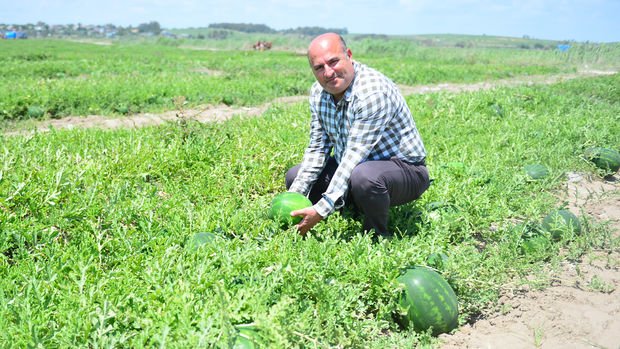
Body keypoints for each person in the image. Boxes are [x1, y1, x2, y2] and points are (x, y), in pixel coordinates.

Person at [285, 33, 430, 237]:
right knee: (295, 176)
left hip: (403, 170)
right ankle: (344, 209)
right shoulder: (318, 93)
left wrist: (321, 208)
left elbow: (354, 156)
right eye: (319, 67)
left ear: (349, 55)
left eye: (333, 62)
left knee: (365, 177)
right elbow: (318, 149)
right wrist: (294, 196)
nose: (328, 73)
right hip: (354, 167)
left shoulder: (372, 92)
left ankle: (375, 236)